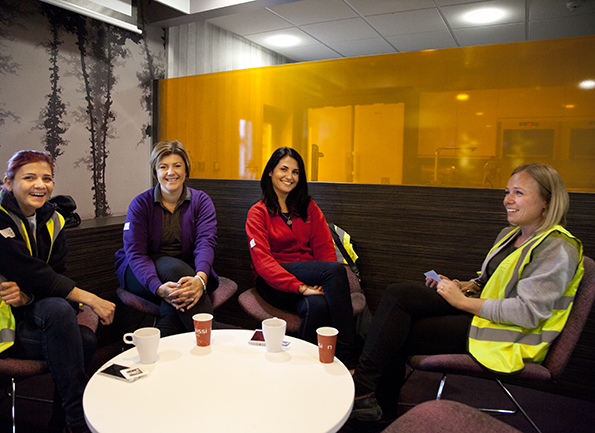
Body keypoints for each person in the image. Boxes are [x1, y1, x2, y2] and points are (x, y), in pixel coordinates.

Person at [350, 163, 584, 423]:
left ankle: (370, 400)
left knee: (398, 329)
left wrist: (460, 301)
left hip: (509, 333)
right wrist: (462, 285)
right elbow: (488, 282)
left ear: (547, 202)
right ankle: (367, 394)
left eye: (518, 193)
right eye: (507, 192)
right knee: (399, 294)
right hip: (482, 312)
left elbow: (528, 313)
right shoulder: (510, 235)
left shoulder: (558, 248)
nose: (508, 200)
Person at [0, 150, 116, 433]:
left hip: (20, 315)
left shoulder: (53, 220)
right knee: (77, 332)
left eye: (47, 178)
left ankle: (66, 420)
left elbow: (51, 276)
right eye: (29, 177)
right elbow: (29, 271)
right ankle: (74, 418)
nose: (40, 184)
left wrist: (28, 295)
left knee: (70, 323)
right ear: (8, 182)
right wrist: (91, 299)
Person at [245, 147, 356, 367]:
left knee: (317, 305)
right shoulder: (258, 213)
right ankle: (347, 354)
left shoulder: (309, 208)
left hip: (308, 273)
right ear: (270, 172)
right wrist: (301, 287)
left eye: (295, 172)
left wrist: (318, 282)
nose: (289, 176)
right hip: (272, 280)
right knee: (334, 271)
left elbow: (324, 247)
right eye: (283, 169)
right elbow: (263, 263)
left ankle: (302, 366)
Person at [115, 140, 218, 337]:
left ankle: (159, 353)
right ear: (156, 173)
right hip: (139, 270)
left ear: (186, 170)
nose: (171, 172)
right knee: (176, 272)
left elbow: (206, 242)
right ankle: (207, 342)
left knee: (176, 296)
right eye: (164, 167)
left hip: (184, 271)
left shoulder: (201, 201)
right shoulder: (140, 204)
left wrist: (201, 279)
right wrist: (157, 287)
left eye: (177, 165)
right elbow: (136, 253)